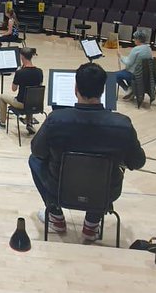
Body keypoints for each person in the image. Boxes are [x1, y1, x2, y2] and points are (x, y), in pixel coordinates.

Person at [30, 62, 146, 242]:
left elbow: (37, 151)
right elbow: (137, 162)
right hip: (104, 192)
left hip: (59, 189)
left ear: (75, 88)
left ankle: (55, 216)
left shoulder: (56, 120)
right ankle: (92, 225)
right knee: (100, 176)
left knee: (34, 161)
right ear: (103, 90)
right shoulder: (122, 124)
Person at [0, 46, 42, 132]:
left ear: (22, 57)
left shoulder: (20, 72)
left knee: (2, 97)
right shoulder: (39, 71)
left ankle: (2, 123)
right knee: (31, 97)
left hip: (21, 103)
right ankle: (29, 123)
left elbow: (14, 89)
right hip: (35, 104)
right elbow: (38, 87)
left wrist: (17, 74)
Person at [114, 30, 154, 96]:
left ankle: (128, 89)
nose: (133, 40)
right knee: (124, 72)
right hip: (144, 74)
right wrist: (124, 57)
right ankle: (132, 89)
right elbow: (134, 60)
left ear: (138, 39)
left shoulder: (136, 49)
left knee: (114, 75)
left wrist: (120, 56)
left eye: (135, 38)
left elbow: (128, 62)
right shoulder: (148, 49)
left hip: (135, 74)